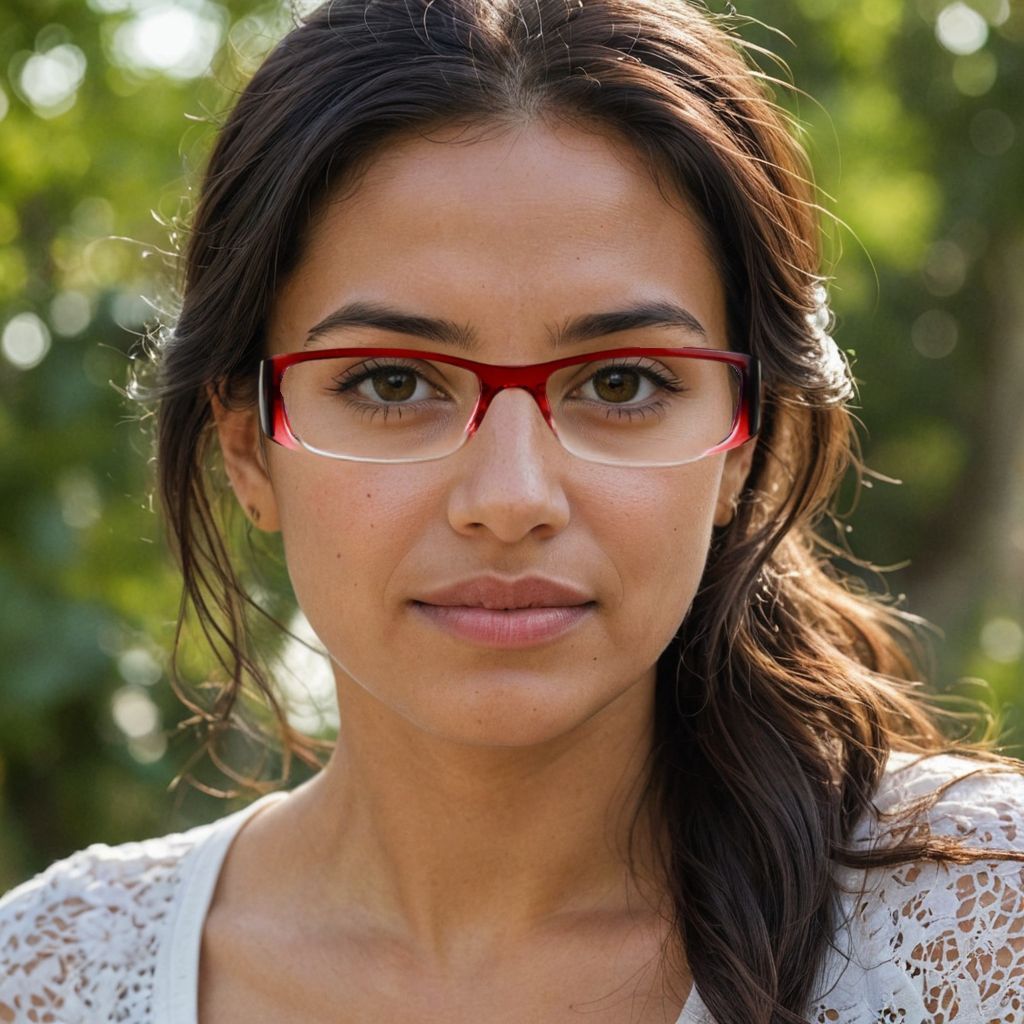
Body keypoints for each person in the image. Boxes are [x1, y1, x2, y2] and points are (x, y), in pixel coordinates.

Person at [2, 0, 1023, 1021]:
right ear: (245, 447)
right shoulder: (50, 978)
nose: (511, 499)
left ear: (741, 444)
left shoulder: (981, 935)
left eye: (620, 383)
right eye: (394, 383)